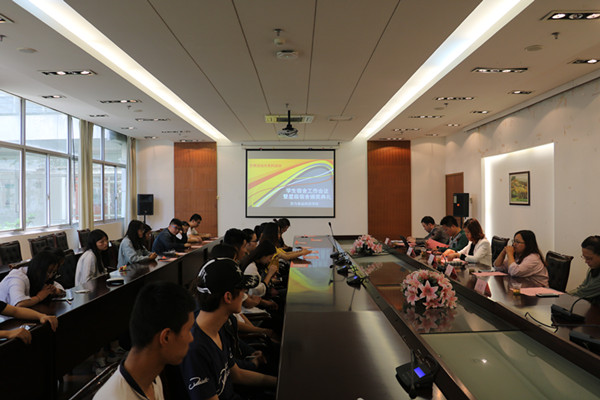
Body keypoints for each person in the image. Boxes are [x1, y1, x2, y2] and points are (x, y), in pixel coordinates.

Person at [180, 258, 276, 400]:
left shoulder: (218, 328)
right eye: (242, 290)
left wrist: (278, 383)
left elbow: (237, 375)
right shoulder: (195, 348)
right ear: (228, 297)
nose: (244, 294)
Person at [94, 281, 196, 400]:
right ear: (166, 337)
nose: (191, 338)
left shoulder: (153, 378)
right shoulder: (114, 397)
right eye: (188, 330)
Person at [569, 236, 600, 305]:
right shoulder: (593, 268)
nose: (586, 261)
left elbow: (584, 292)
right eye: (584, 257)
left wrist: (563, 296)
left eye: (589, 258)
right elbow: (583, 287)